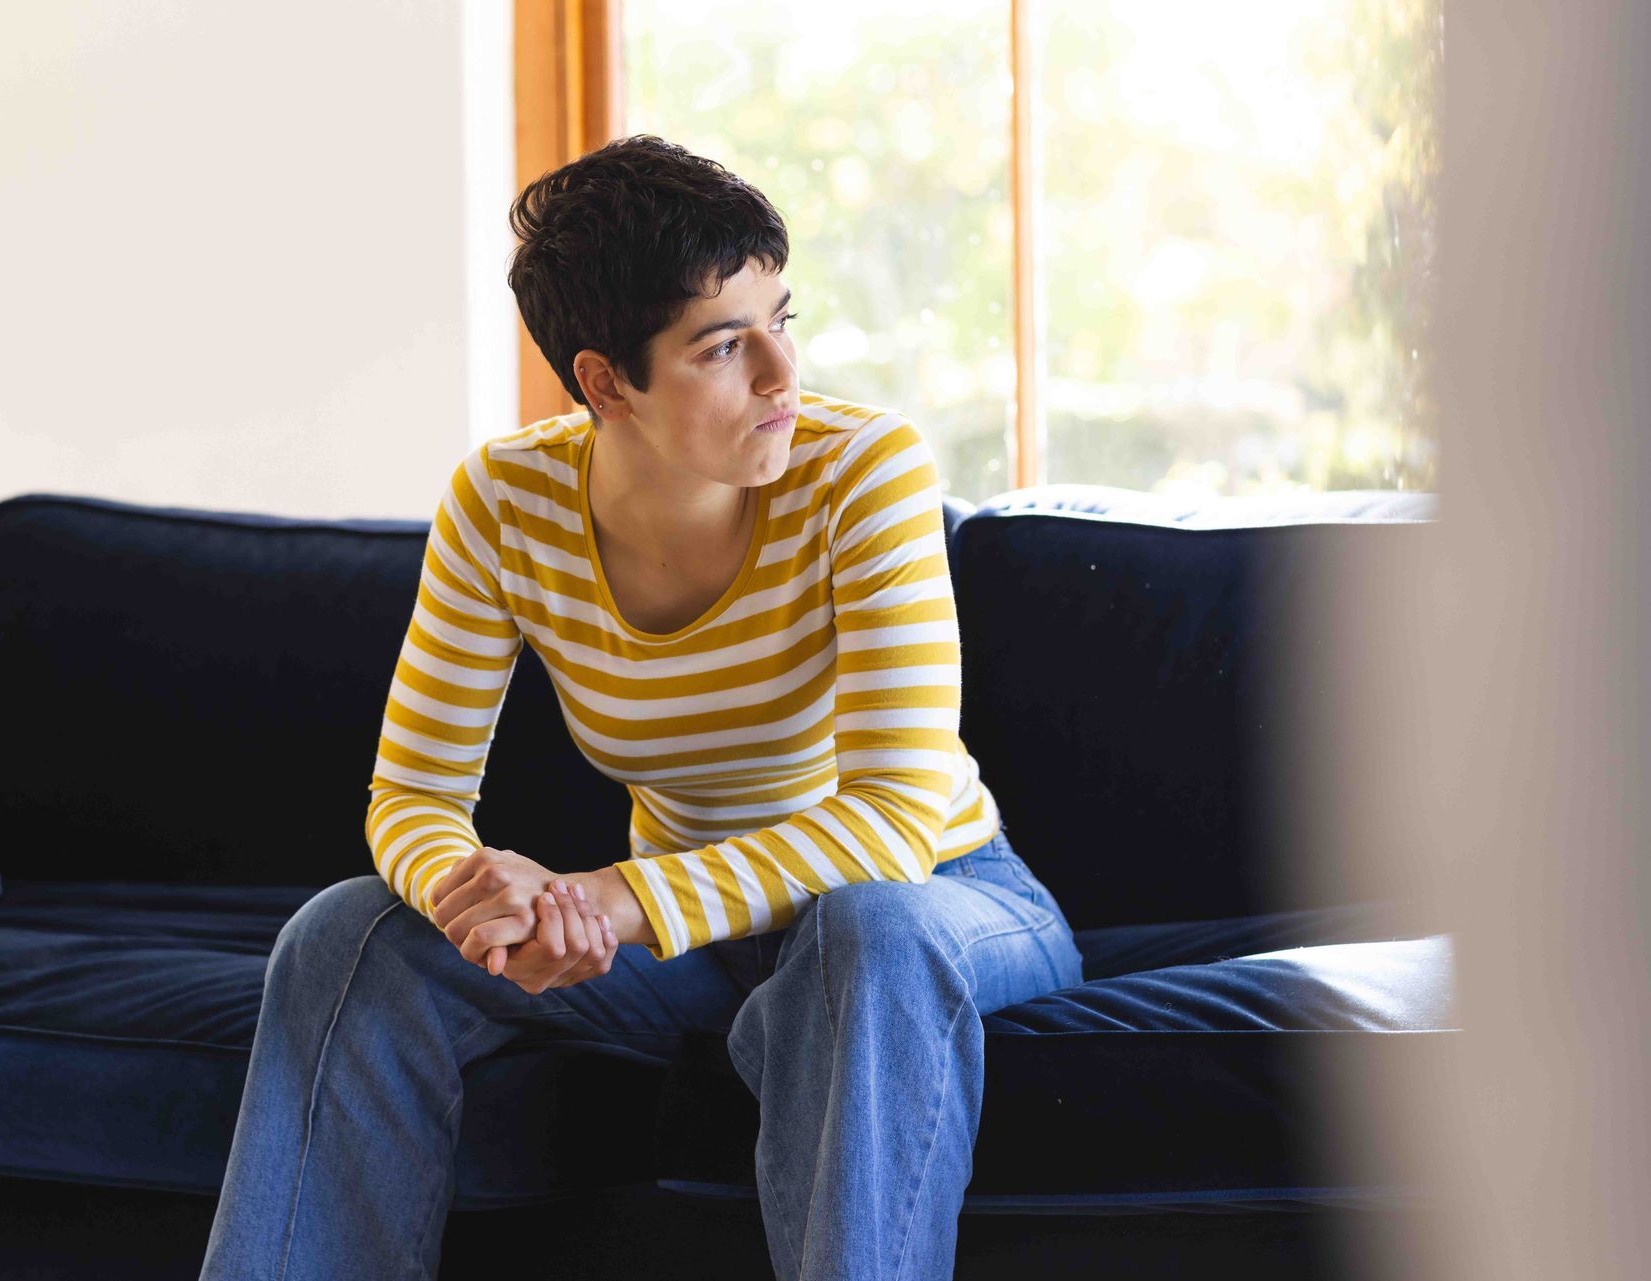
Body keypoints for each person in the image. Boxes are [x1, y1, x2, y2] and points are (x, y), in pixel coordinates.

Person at [197, 133, 1084, 1281]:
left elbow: (895, 819)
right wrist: (479, 905)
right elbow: (413, 792)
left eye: (784, 319)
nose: (781, 374)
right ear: (604, 381)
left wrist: (609, 903)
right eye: (723, 345)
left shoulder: (866, 472)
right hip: (697, 944)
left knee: (866, 929)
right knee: (348, 937)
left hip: (941, 900)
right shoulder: (505, 500)